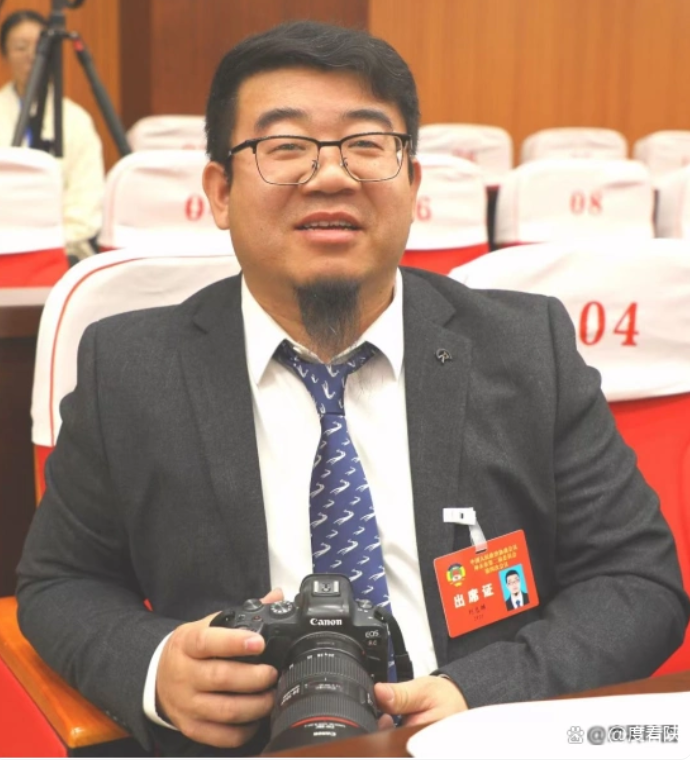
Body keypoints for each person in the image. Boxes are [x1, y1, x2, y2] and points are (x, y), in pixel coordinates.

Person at [16, 20, 689, 757]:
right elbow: (60, 582)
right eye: (285, 147)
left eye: (367, 145)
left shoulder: (526, 347)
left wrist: (482, 694)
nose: (331, 176)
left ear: (413, 184)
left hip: (479, 735)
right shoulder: (129, 367)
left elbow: (637, 580)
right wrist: (154, 668)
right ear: (220, 191)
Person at [0, 9, 104, 260]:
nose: (31, 56)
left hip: (64, 250)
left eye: (39, 47)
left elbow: (87, 203)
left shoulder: (76, 119)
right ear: (5, 54)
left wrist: (48, 243)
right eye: (20, 47)